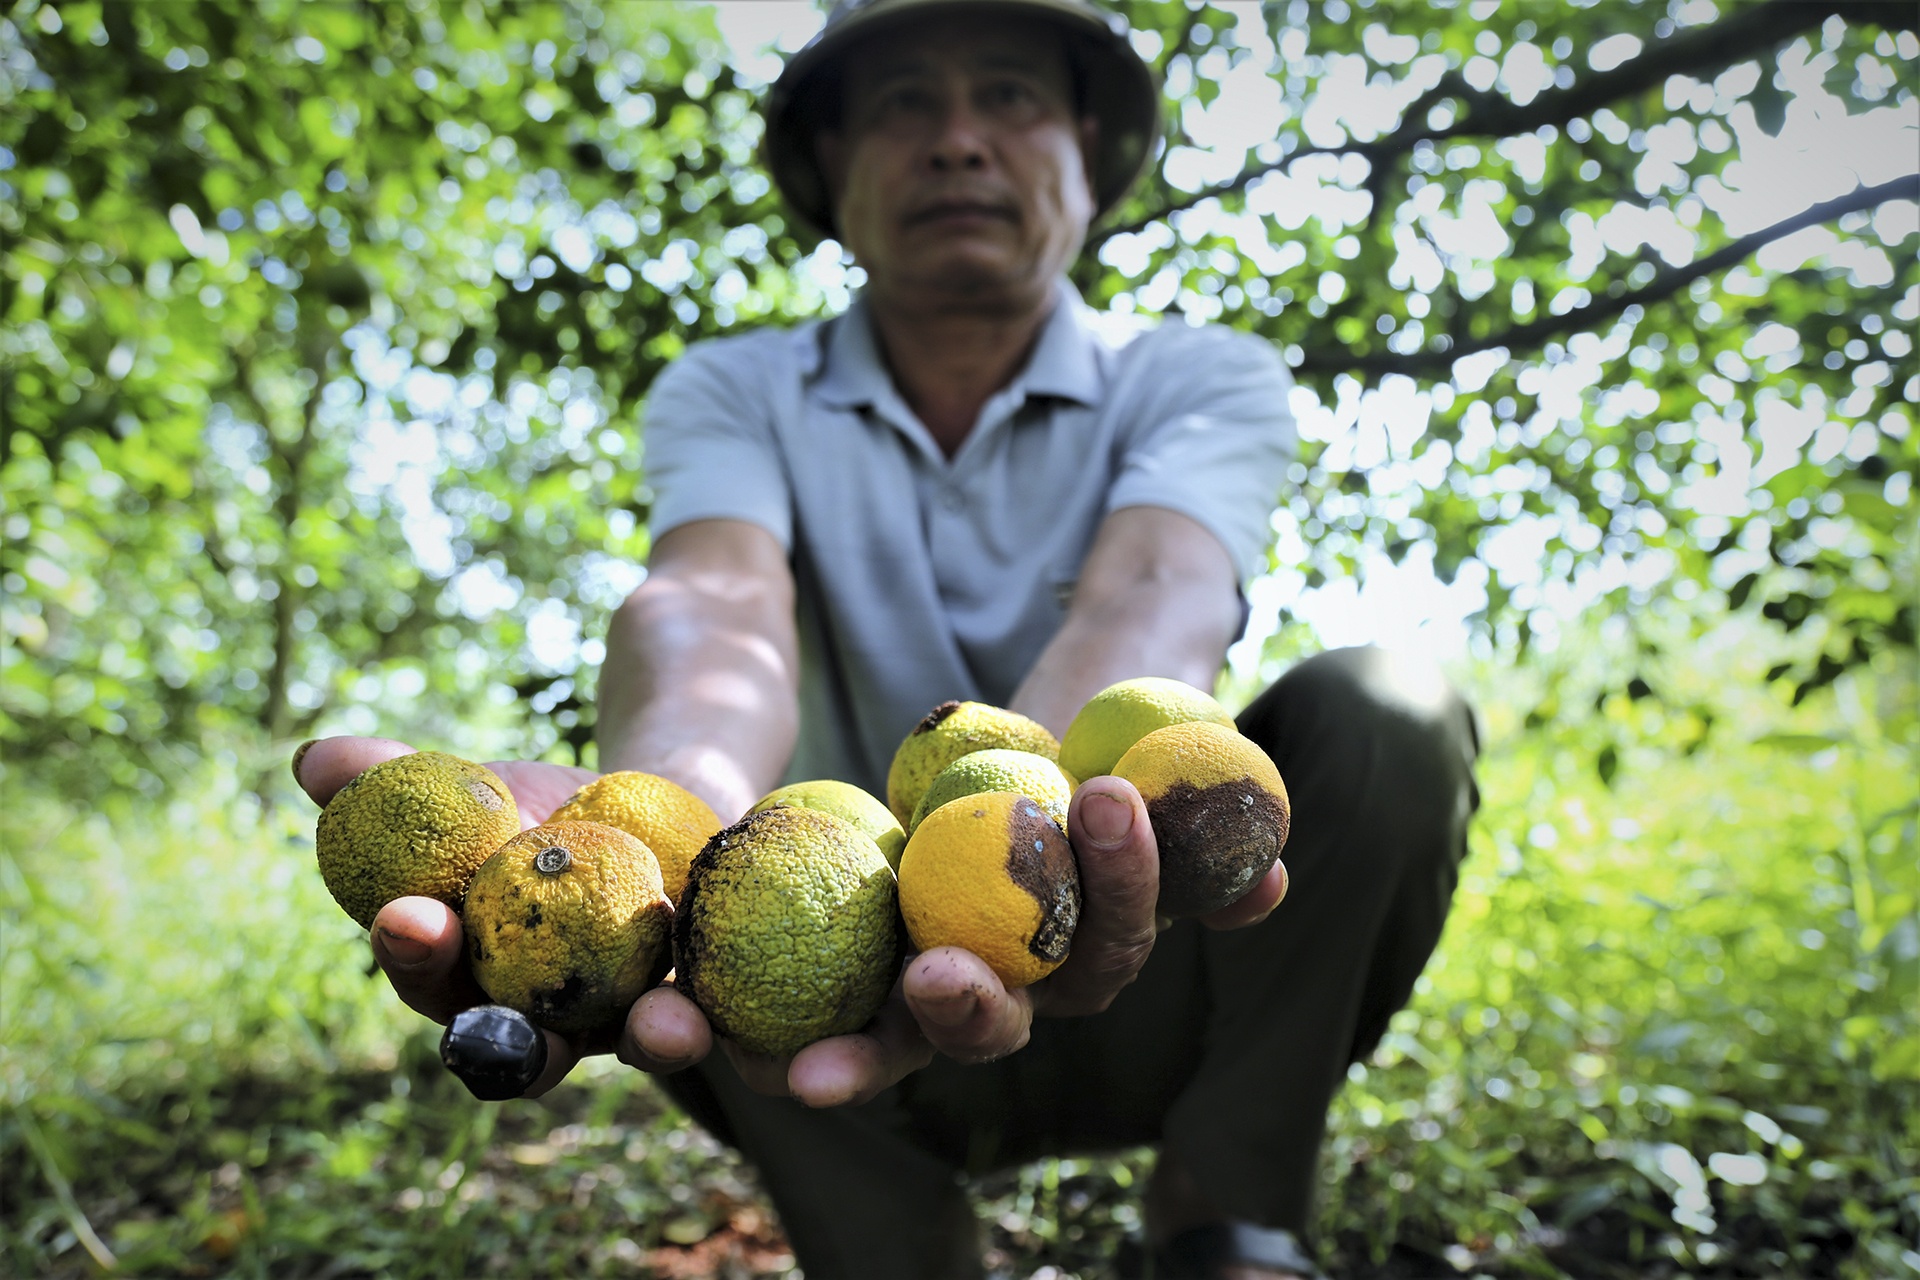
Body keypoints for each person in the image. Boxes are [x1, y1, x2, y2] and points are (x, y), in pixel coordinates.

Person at [295, 2, 1481, 1276]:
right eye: (906, 101)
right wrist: (672, 813)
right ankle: (895, 1245)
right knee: (722, 895)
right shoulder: (736, 389)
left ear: (1085, 153)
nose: (959, 141)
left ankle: (1227, 1206)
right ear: (835, 170)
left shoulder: (1198, 374)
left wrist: (1037, 840)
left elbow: (1157, 585)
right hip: (834, 1001)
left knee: (1388, 709)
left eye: (1011, 98)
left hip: (1131, 959)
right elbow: (712, 603)